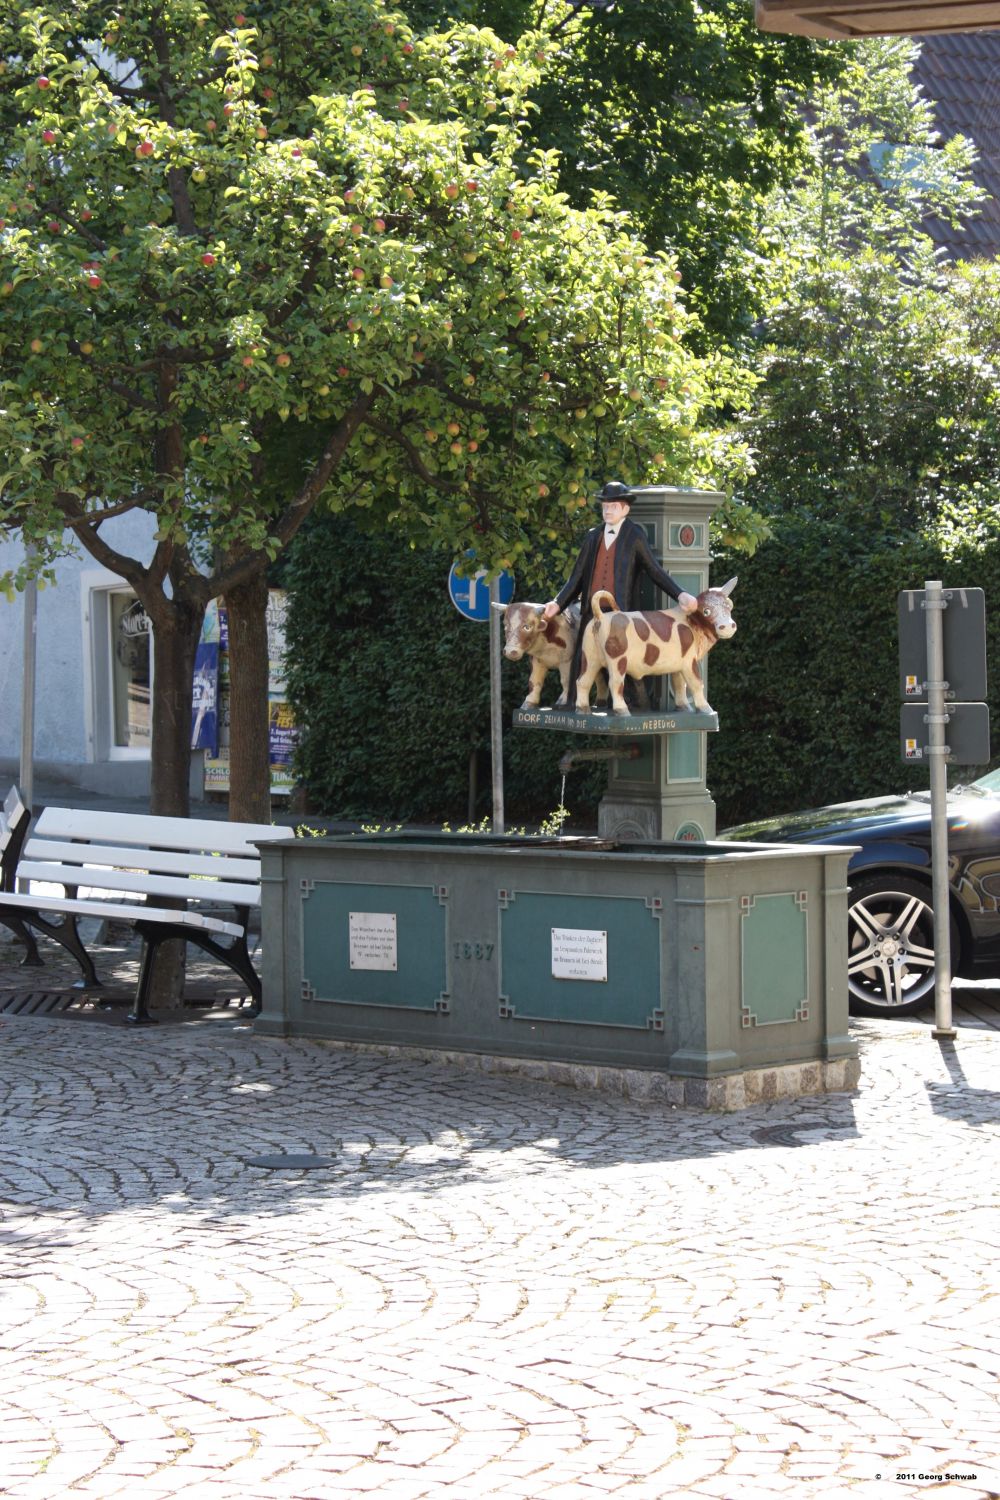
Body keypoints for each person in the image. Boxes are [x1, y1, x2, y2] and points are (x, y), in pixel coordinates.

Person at [542, 480, 698, 705]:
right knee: (584, 659)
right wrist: (557, 603)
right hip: (591, 611)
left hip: (621, 612)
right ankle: (574, 704)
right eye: (605, 506)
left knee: (625, 660)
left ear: (625, 508)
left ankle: (637, 707)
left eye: (613, 506)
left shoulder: (633, 535)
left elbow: (654, 569)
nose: (608, 510)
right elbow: (576, 578)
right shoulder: (593, 536)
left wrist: (680, 594)